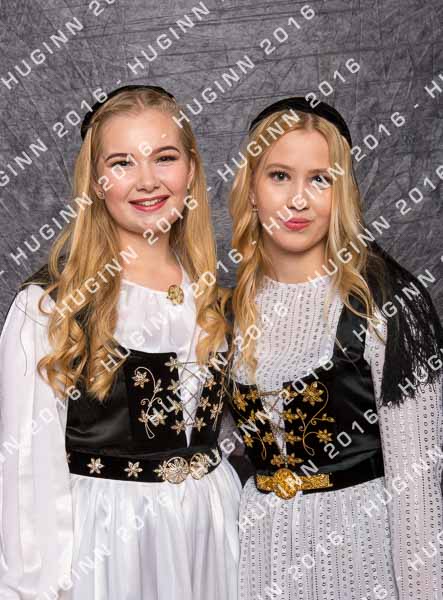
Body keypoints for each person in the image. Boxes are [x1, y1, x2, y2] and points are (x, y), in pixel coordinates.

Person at [0, 85, 241, 600]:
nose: (148, 180)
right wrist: (34, 588)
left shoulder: (216, 300)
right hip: (109, 549)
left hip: (213, 537)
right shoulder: (49, 307)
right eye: (123, 162)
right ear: (96, 181)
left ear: (191, 170)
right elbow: (25, 474)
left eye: (165, 158)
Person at [226, 96, 443, 599]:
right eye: (279, 176)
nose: (298, 199)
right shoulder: (230, 309)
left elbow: (418, 492)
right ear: (251, 189)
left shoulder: (386, 303)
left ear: (341, 191)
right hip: (259, 559)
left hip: (360, 560)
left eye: (320, 179)